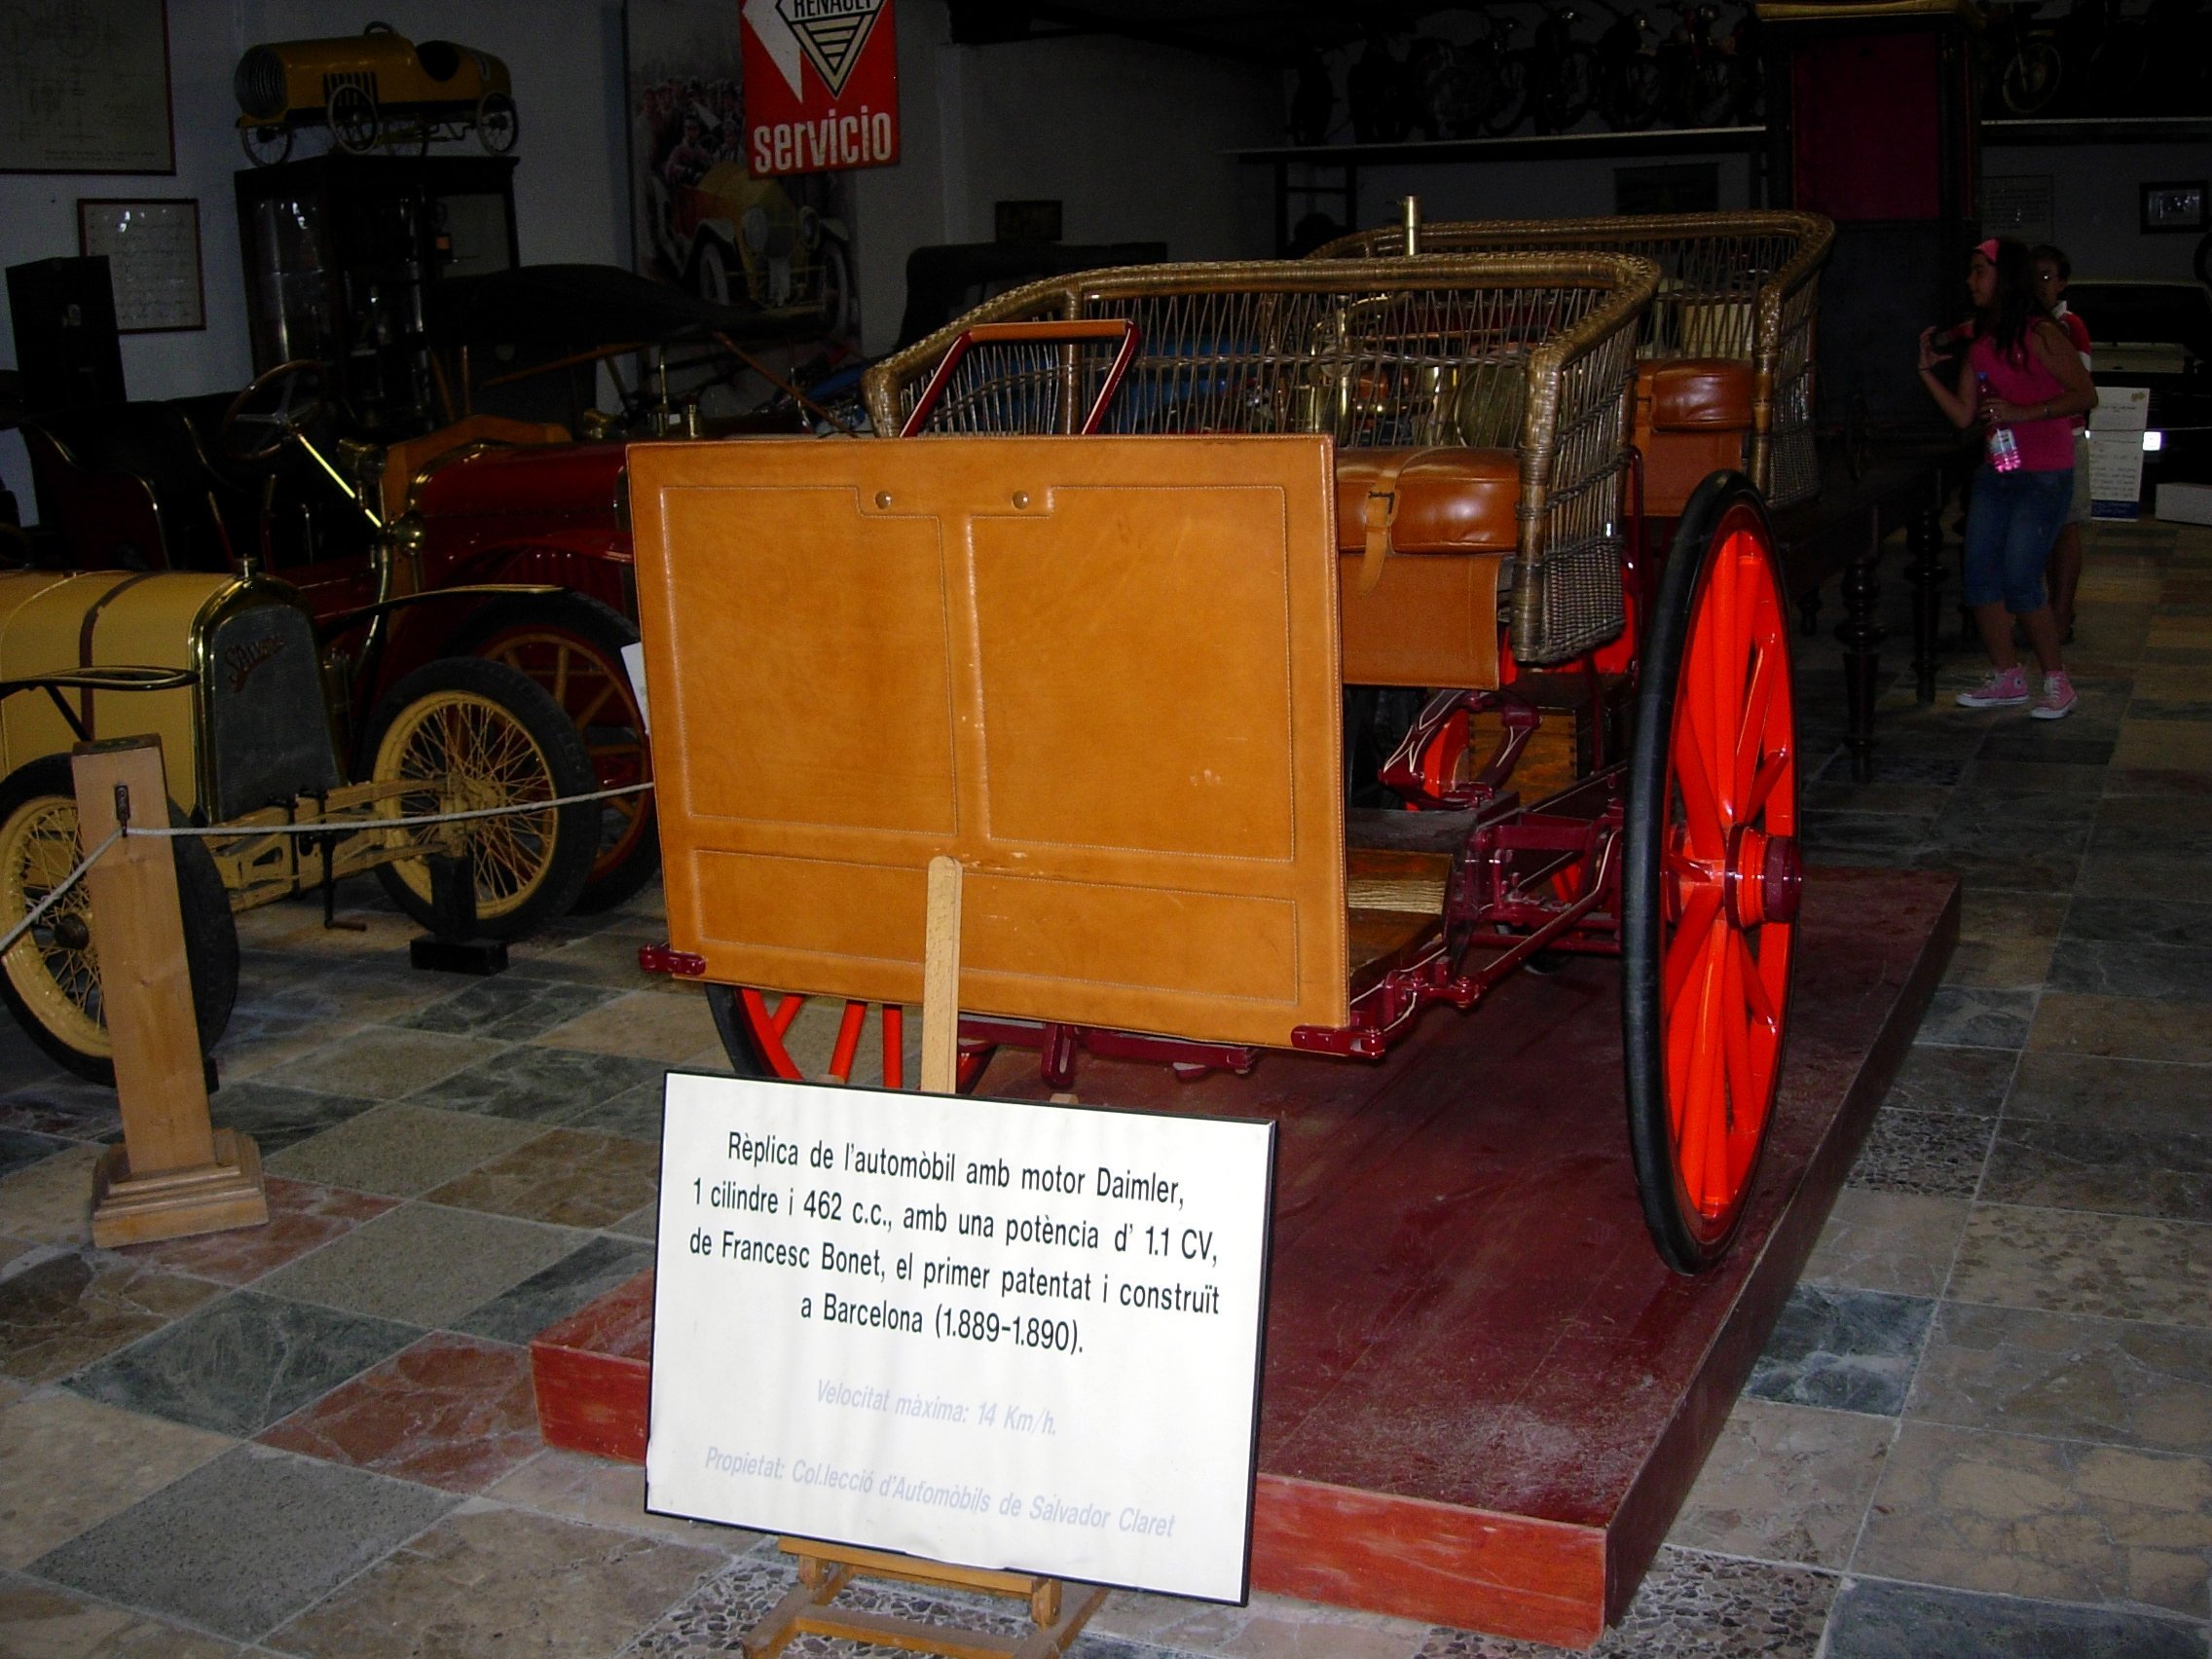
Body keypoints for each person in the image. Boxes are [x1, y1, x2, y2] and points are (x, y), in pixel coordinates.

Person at [1916, 237, 2097, 719]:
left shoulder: (2043, 333)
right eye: (1972, 271)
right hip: (1999, 472)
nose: (1971, 281)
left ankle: (2057, 681)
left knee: (2020, 580)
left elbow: (2085, 395)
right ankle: (2007, 676)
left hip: (2045, 475)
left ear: (2005, 278)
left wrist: (2025, 410)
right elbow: (1962, 416)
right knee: (1979, 576)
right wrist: (1927, 373)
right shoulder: (1982, 343)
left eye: (1981, 271)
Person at [2031, 243, 2093, 641]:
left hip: (2066, 436)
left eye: (2047, 277)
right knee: (2043, 530)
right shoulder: (2026, 324)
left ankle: (2061, 613)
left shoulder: (2068, 325)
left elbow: (2077, 386)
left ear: (2062, 283)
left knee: (2066, 525)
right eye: (2033, 276)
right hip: (2035, 438)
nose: (2039, 284)